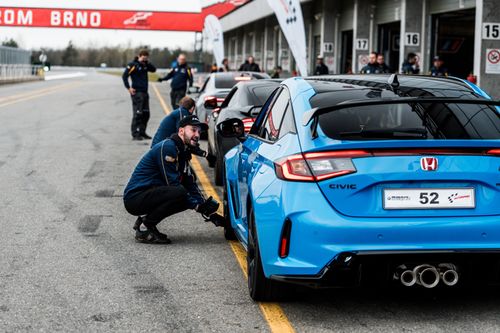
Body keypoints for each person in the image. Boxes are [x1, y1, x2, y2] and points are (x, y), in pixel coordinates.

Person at [123, 115, 222, 244]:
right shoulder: (168, 147)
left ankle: (147, 222)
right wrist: (197, 206)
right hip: (135, 197)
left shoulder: (182, 151)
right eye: (193, 130)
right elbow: (173, 184)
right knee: (179, 193)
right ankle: (145, 227)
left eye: (199, 131)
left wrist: (205, 207)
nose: (197, 134)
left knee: (183, 195)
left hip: (150, 193)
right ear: (181, 131)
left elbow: (189, 182)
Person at [122, 49, 157, 140]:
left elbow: (154, 70)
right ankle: (135, 134)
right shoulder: (133, 65)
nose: (144, 59)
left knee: (146, 114)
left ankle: (142, 132)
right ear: (139, 56)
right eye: (143, 57)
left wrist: (146, 62)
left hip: (145, 92)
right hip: (137, 93)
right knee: (138, 113)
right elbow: (124, 76)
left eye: (146, 58)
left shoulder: (145, 65)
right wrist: (129, 88)